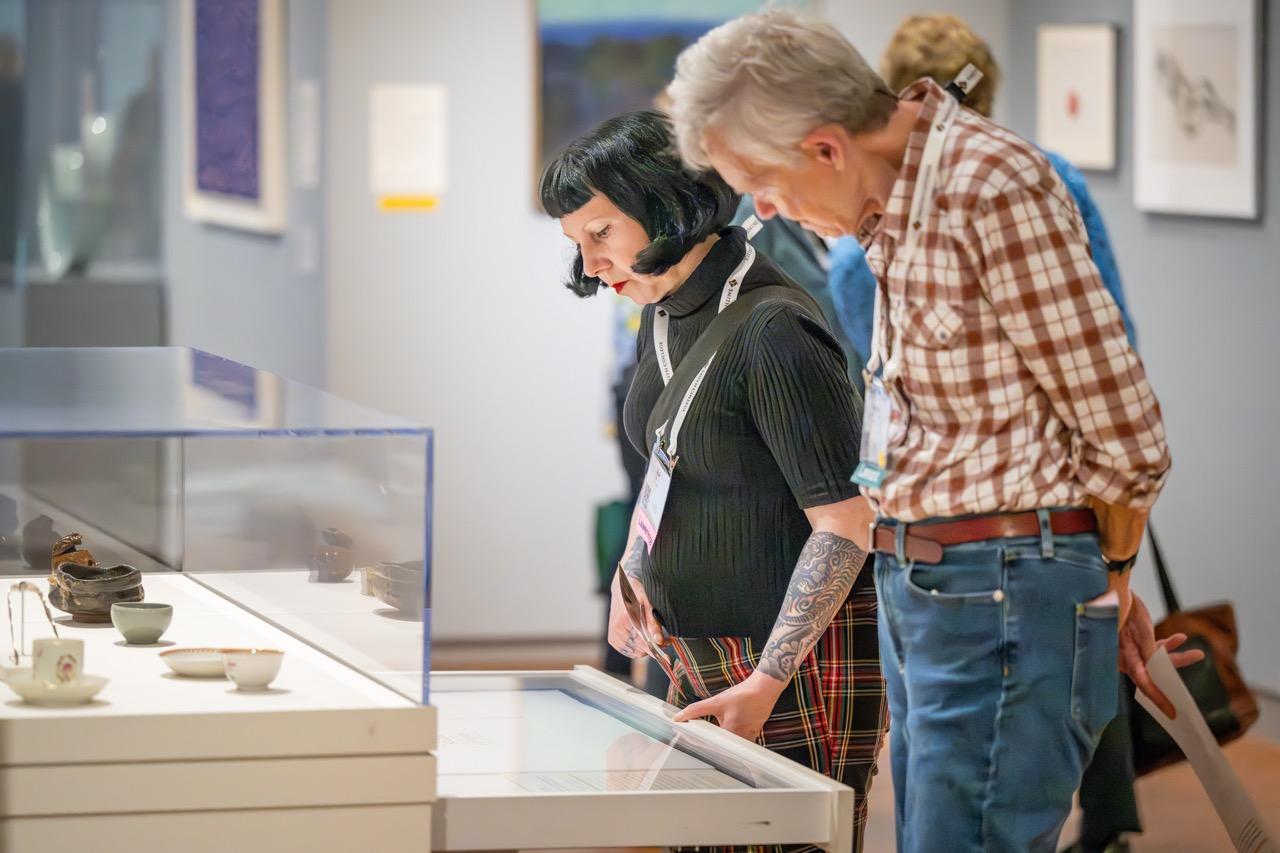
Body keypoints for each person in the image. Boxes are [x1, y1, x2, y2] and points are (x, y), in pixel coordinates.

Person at [666, 10, 1204, 852]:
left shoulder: (988, 184)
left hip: (999, 587)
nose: (764, 212)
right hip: (931, 587)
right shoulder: (887, 210)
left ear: (826, 148)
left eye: (761, 184)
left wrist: (1106, 579)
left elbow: (1125, 431)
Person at [542, 108, 887, 852]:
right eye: (578, 244)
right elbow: (670, 464)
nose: (591, 264)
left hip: (787, 668)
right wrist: (632, 572)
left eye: (601, 233)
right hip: (699, 656)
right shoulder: (663, 311)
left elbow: (847, 522)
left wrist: (766, 680)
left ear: (666, 206)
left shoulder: (775, 330)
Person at [878, 17, 1145, 853]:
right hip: (1045, 505)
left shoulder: (1004, 181)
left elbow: (878, 381)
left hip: (978, 528)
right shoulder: (1048, 173)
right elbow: (1113, 338)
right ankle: (1111, 819)